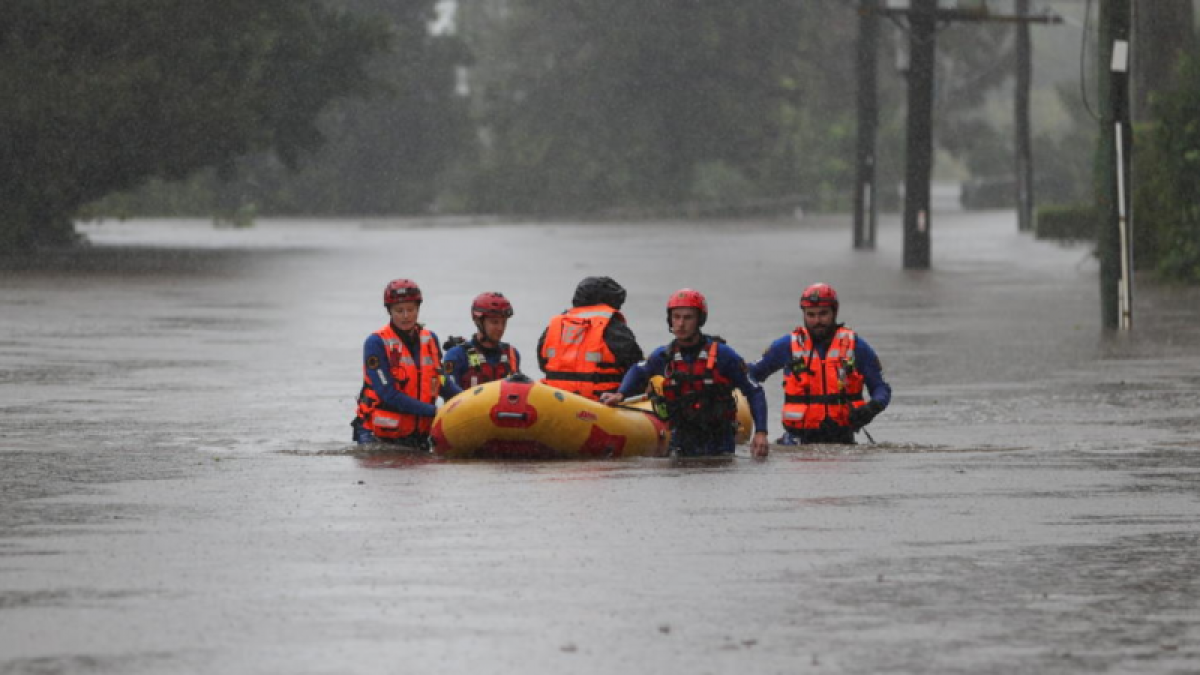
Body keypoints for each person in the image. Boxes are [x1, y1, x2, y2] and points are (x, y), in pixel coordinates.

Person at [600, 289, 770, 458]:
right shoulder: (664, 356)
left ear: (699, 320)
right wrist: (620, 394)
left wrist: (761, 432)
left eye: (688, 318)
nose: (681, 324)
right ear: (670, 320)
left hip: (719, 444)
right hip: (680, 441)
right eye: (676, 317)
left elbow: (754, 391)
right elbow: (638, 370)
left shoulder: (723, 355)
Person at [749, 282, 891, 445]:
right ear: (804, 315)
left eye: (823, 314)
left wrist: (871, 408)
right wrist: (760, 429)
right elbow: (750, 376)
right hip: (796, 443)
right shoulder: (787, 345)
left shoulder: (855, 346)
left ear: (834, 312)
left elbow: (881, 388)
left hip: (843, 441)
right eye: (811, 315)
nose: (817, 321)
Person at [351, 278, 462, 449]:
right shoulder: (376, 342)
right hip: (377, 435)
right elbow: (388, 394)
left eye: (410, 309)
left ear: (418, 309)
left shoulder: (430, 339)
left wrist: (468, 400)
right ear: (389, 311)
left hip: (418, 435)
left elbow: (441, 382)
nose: (406, 316)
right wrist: (435, 412)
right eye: (399, 310)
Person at [537, 276, 644, 401]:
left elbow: (543, 363)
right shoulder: (612, 327)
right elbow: (636, 367)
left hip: (556, 399)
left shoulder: (555, 326)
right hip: (600, 401)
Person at [442, 292, 522, 388]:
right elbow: (448, 392)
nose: (500, 328)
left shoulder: (512, 354)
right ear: (478, 321)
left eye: (504, 322)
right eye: (494, 322)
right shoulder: (457, 355)